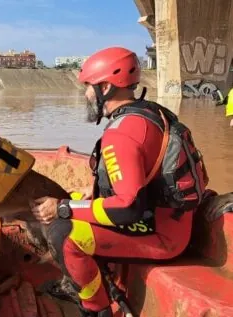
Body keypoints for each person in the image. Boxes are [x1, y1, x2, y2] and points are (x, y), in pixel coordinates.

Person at [31, 47, 209, 316]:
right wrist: (81, 198)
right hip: (169, 219)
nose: (85, 94)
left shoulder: (122, 133)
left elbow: (127, 208)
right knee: (77, 200)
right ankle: (93, 280)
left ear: (104, 87)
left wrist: (62, 208)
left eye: (88, 87)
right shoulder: (146, 113)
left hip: (162, 236)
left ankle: (96, 308)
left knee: (64, 234)